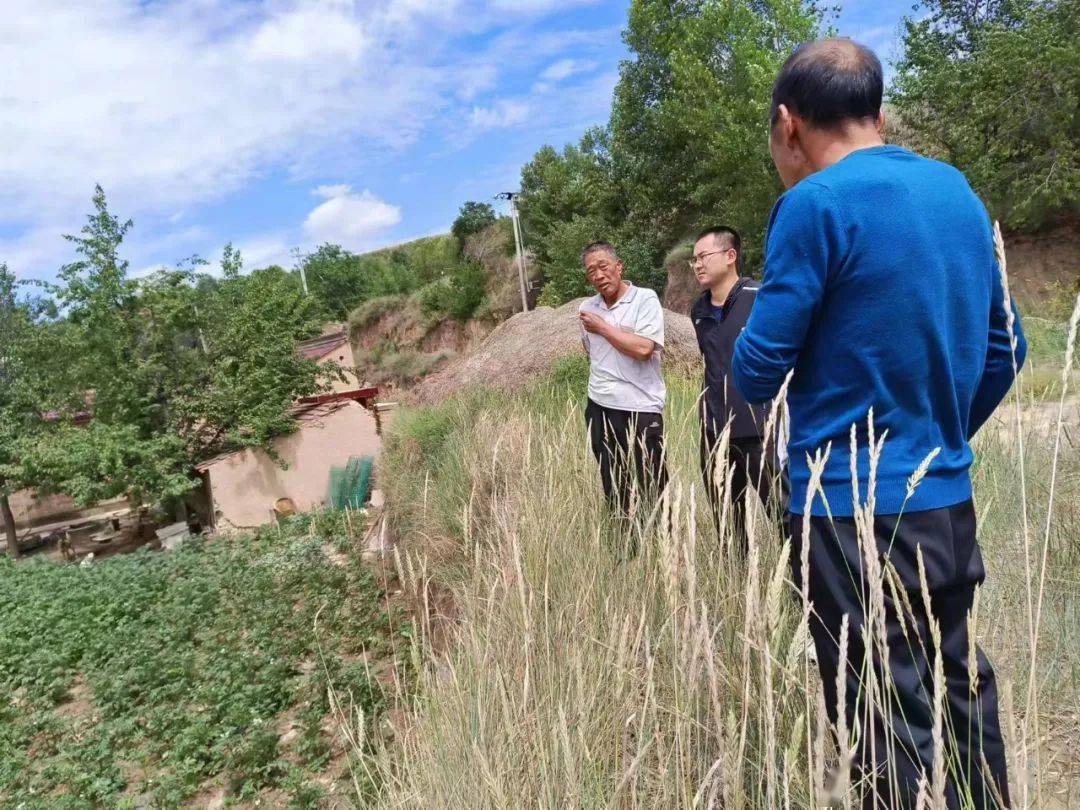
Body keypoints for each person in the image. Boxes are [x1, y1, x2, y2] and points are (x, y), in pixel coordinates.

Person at [732, 38, 1024, 809]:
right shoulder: (957, 191)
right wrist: (941, 432)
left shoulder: (811, 206)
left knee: (879, 712)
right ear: (879, 112)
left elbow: (757, 370)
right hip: (943, 499)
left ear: (788, 125)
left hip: (844, 510)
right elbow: (1009, 347)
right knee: (959, 689)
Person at [689, 226, 786, 549]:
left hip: (762, 429)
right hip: (715, 431)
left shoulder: (761, 298)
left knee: (784, 516)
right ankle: (737, 589)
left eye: (703, 256)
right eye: (694, 259)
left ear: (730, 256)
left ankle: (802, 590)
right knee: (728, 526)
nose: (698, 264)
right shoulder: (698, 311)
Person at [578, 241, 668, 525]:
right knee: (614, 484)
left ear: (619, 266)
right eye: (591, 271)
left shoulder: (645, 298)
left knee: (653, 484)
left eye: (603, 266)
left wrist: (603, 328)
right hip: (600, 406)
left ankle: (666, 549)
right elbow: (589, 351)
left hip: (640, 406)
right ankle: (627, 548)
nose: (598, 275)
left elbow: (644, 350)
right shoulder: (586, 308)